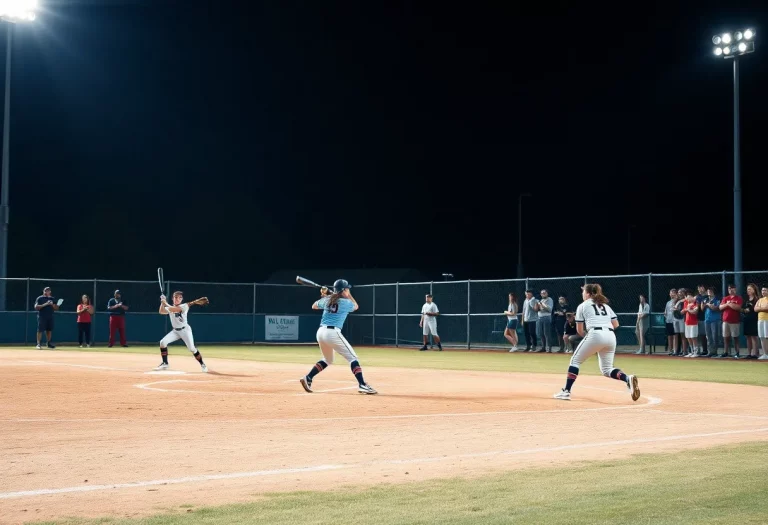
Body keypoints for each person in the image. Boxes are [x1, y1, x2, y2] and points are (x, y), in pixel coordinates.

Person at [554, 284, 640, 402]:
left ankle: (566, 391)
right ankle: (627, 379)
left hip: (595, 333)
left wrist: (591, 340)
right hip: (610, 336)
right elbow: (616, 325)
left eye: (584, 292)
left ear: (588, 294)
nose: (582, 294)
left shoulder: (582, 306)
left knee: (575, 361)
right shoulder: (605, 305)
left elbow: (579, 330)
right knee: (607, 369)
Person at [299, 279, 377, 394]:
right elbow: (356, 306)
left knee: (328, 359)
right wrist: (347, 295)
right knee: (353, 358)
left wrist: (325, 296)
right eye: (347, 289)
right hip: (332, 333)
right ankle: (362, 384)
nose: (348, 290)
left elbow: (314, 306)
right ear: (344, 290)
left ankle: (308, 377)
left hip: (320, 332)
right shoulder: (346, 303)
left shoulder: (327, 300)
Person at [154, 291, 210, 372]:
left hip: (185, 331)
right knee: (163, 342)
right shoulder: (170, 307)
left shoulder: (184, 306)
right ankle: (165, 363)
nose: (177, 299)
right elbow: (161, 311)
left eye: (179, 297)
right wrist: (162, 302)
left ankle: (202, 364)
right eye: (175, 297)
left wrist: (165, 302)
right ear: (172, 298)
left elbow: (174, 310)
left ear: (182, 299)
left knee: (192, 348)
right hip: (175, 331)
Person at [718, 284, 743, 358]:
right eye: (729, 288)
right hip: (725, 320)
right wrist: (728, 304)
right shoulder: (725, 298)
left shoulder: (738, 298)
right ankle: (726, 352)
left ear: (735, 289)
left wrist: (729, 304)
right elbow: (720, 307)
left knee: (735, 337)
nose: (731, 290)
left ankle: (737, 352)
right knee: (726, 337)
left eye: (732, 288)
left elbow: (738, 307)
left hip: (734, 321)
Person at [742, 283, 759, 359]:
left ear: (754, 290)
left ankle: (755, 354)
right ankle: (749, 353)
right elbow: (742, 308)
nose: (748, 291)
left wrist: (750, 309)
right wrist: (744, 310)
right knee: (748, 337)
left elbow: (755, 309)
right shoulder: (746, 299)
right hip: (746, 319)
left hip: (754, 319)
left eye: (750, 289)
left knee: (754, 337)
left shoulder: (757, 299)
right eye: (747, 289)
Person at [703, 286, 722, 357]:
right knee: (708, 336)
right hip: (707, 320)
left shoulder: (717, 299)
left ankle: (715, 351)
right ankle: (710, 351)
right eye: (708, 291)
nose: (709, 292)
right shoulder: (706, 299)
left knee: (715, 336)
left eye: (710, 291)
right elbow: (702, 309)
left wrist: (708, 304)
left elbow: (716, 308)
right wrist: (704, 304)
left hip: (715, 320)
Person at [682, 291, 700, 357]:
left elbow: (695, 312)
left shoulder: (696, 303)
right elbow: (682, 312)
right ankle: (691, 351)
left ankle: (696, 352)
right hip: (687, 322)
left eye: (690, 297)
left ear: (693, 297)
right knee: (688, 337)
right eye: (687, 297)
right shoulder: (686, 303)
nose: (688, 298)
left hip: (694, 323)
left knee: (693, 337)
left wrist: (688, 310)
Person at [695, 284, 709, 356]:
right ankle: (701, 350)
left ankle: (707, 350)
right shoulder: (698, 297)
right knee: (701, 335)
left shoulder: (708, 296)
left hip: (707, 317)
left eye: (701, 288)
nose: (700, 290)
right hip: (699, 318)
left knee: (707, 335)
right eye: (698, 288)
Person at [755, 286, 768, 360]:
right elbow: (755, 308)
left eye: (765, 290)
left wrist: (760, 308)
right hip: (760, 320)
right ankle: (765, 354)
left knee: (767, 336)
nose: (763, 292)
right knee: (762, 337)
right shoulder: (760, 300)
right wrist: (763, 308)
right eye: (762, 290)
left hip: (767, 320)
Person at [664, 289, 678, 356]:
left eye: (673, 293)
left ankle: (675, 350)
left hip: (674, 321)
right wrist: (665, 314)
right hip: (668, 320)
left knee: (675, 336)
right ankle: (670, 350)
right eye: (671, 293)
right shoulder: (668, 302)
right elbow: (666, 311)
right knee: (669, 336)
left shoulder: (677, 301)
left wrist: (676, 299)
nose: (671, 294)